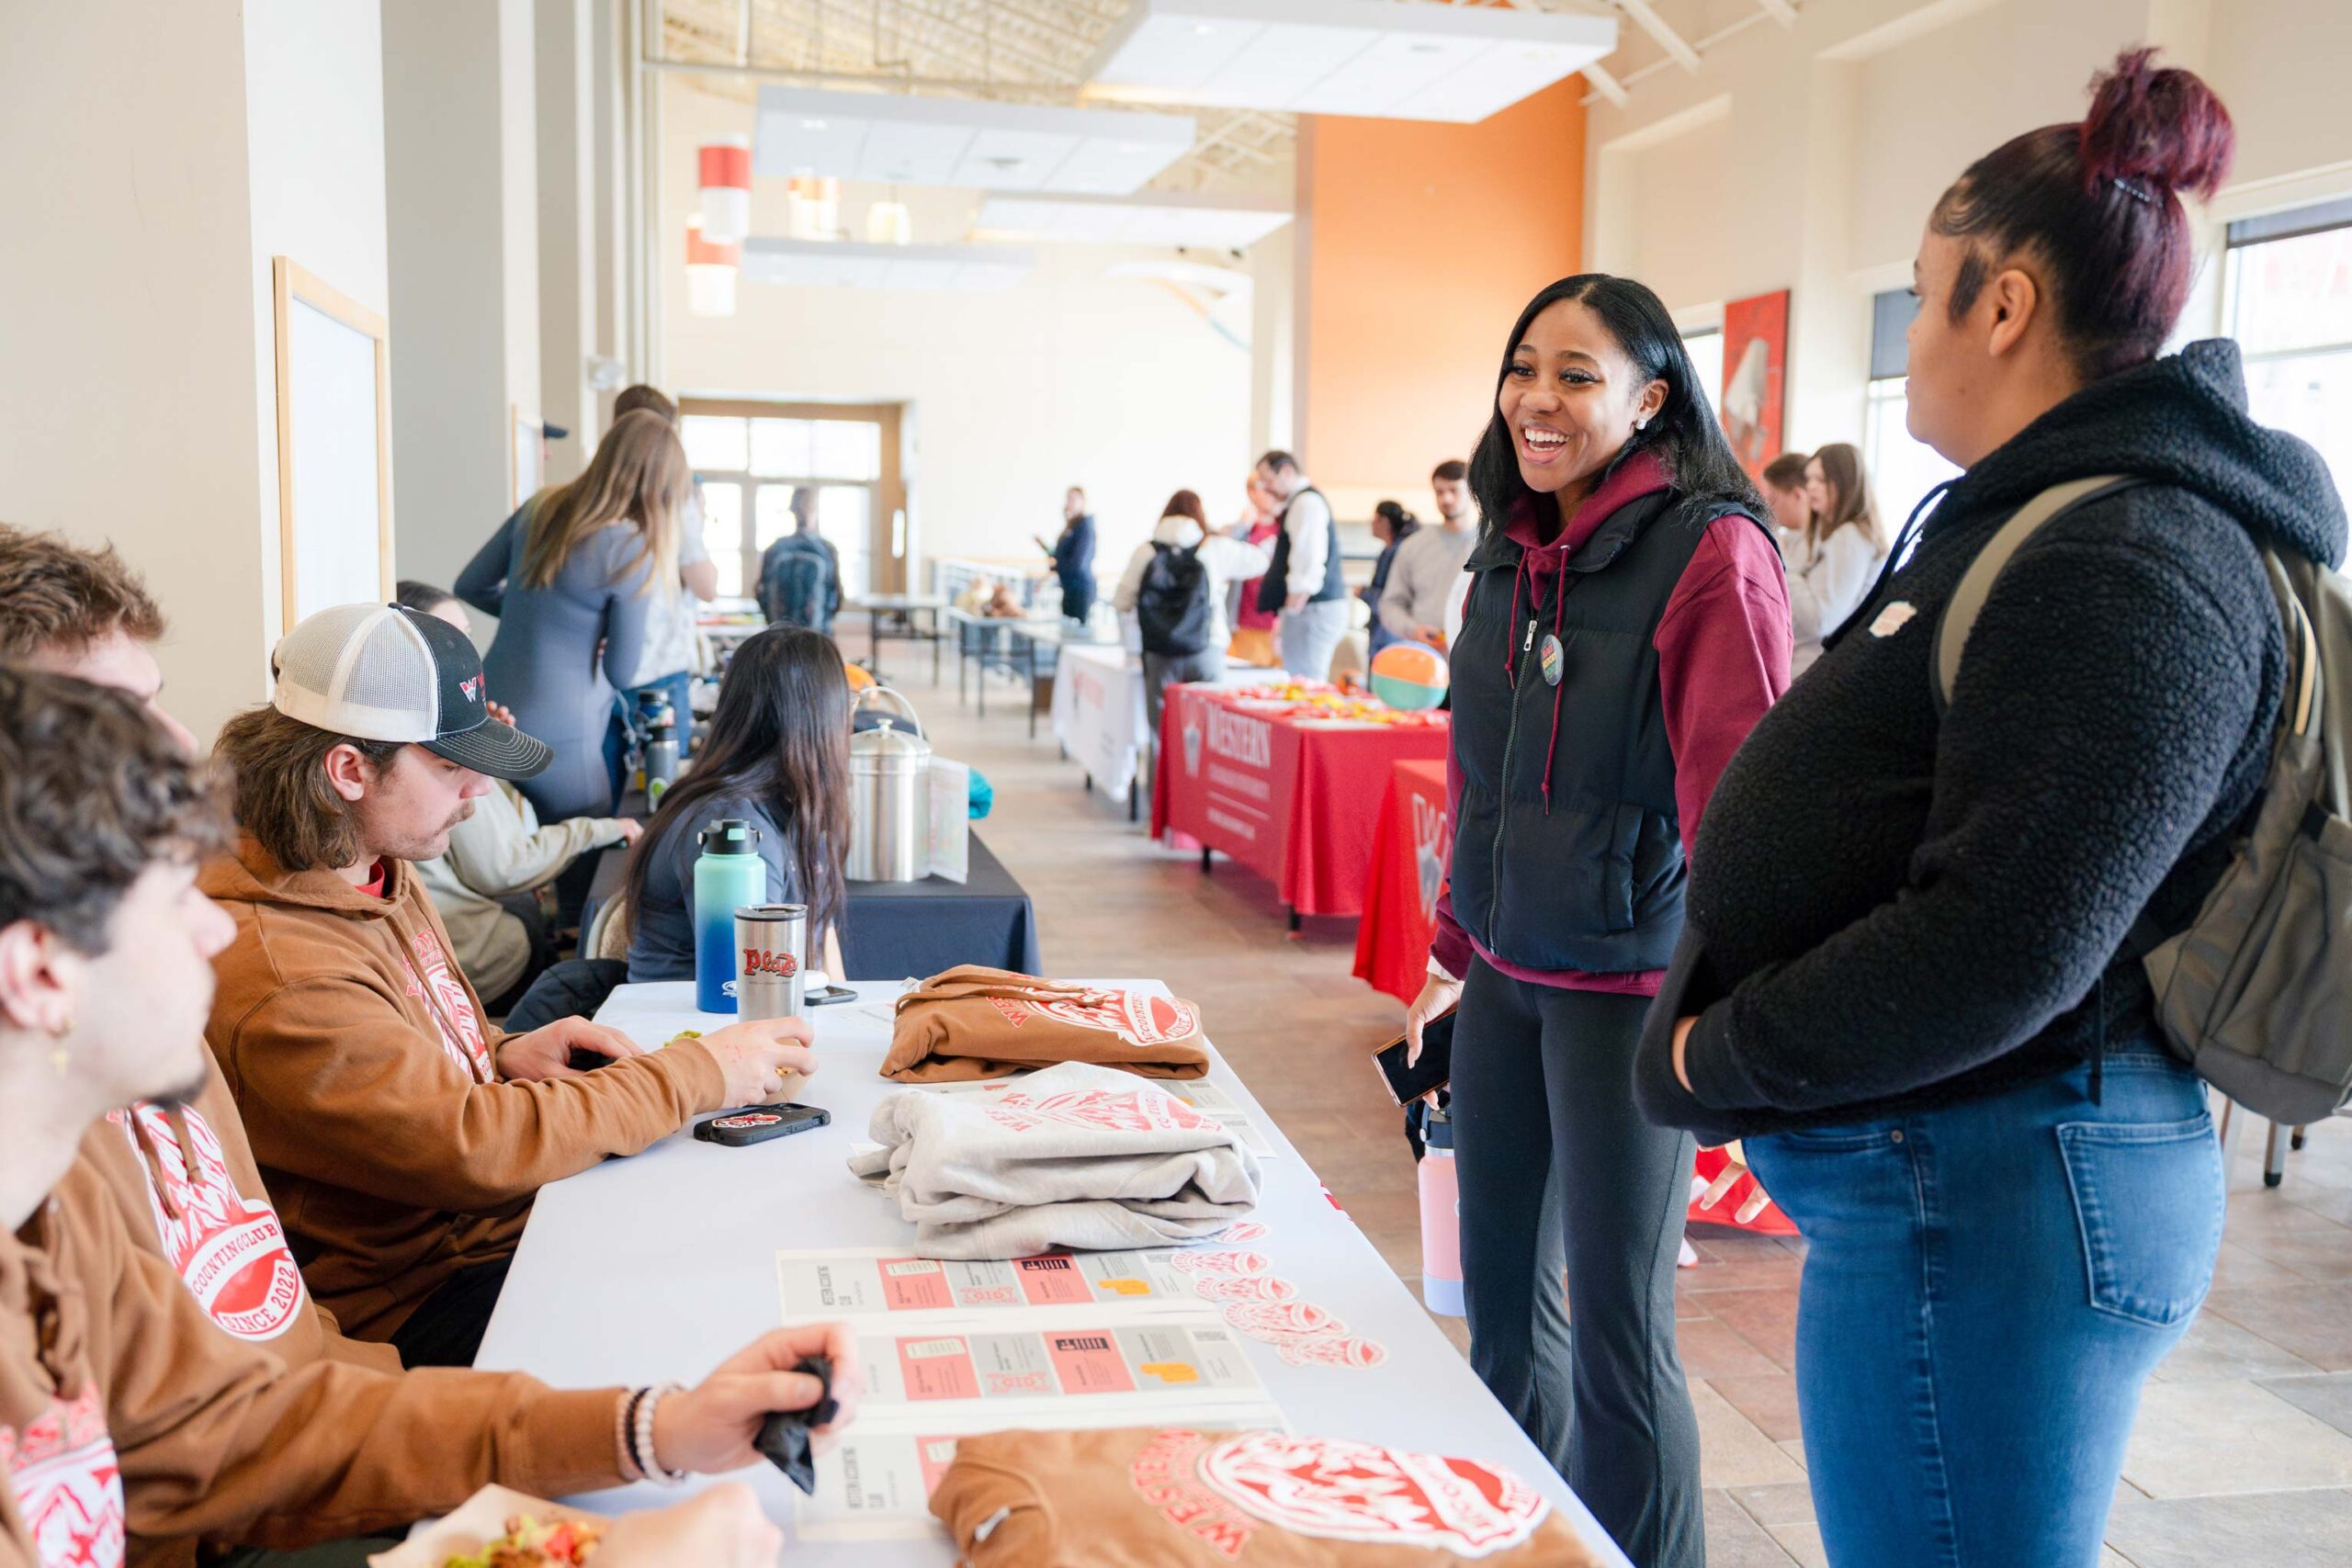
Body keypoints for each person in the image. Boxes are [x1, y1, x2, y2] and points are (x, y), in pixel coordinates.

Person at [1632, 51, 2339, 1568]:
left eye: (1924, 286)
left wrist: (1717, 1053)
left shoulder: (2127, 553)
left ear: (2003, 303)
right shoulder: (2054, 512)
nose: (1918, 323)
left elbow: (2003, 939)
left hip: (2002, 1187)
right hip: (1960, 1181)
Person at [0, 666, 852, 1568]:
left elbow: (231, 1424)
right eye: (173, 903)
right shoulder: (250, 984)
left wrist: (650, 1430)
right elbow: (459, 1150)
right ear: (41, 971)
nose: (214, 932)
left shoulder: (60, 1198)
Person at [1402, 275, 1792, 1565]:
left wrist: (1717, 1005)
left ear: (1650, 397)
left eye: (1576, 371)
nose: (1537, 397)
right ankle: (1521, 1542)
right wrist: (1453, 952)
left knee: (1623, 1333)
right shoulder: (1509, 549)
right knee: (1506, 1315)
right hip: (1509, 977)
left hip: (1628, 990)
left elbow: (1742, 806)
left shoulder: (1709, 551)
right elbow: (1479, 769)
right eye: (1523, 366)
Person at [204, 603, 820, 1370]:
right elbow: (471, 1145)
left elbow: (400, 1045)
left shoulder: (365, 861)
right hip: (417, 1298)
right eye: (450, 767)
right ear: (349, 770)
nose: (476, 793)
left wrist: (503, 1048)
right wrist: (698, 1073)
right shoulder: (281, 972)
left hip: (481, 1231)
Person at [391, 584, 639, 1013]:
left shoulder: (425, 726)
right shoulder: (428, 741)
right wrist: (597, 831)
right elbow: (503, 868)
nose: (464, 650)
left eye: (467, 634)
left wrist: (484, 748)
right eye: (450, 636)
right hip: (475, 959)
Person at [455, 408, 688, 821]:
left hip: (489, 705)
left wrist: (529, 618)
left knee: (499, 839)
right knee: (589, 840)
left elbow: (470, 585)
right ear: (661, 487)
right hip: (563, 728)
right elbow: (621, 671)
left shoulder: (540, 507)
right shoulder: (629, 547)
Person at [624, 625, 852, 985]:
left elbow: (820, 938)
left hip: (741, 1022)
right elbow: (757, 983)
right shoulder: (731, 824)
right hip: (692, 1028)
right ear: (817, 721)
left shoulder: (789, 803)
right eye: (846, 704)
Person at [610, 386, 719, 757]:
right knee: (664, 784)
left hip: (601, 669)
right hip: (660, 668)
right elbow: (705, 585)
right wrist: (699, 519)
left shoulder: (598, 495)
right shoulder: (675, 496)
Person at [1112, 489, 1273, 735]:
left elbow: (1122, 601)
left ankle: (1160, 775)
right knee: (1210, 729)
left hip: (1159, 650)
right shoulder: (1215, 547)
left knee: (1161, 731)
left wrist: (1131, 645)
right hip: (1207, 647)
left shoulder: (1146, 552)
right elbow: (1261, 561)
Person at [1786, 443, 1886, 677]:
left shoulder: (1849, 537)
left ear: (1845, 484)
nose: (1810, 487)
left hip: (1820, 671)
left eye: (1820, 480)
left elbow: (1821, 619)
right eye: (1808, 479)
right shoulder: (1833, 534)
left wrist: (1785, 565)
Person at [1252, 451, 1349, 681]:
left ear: (1286, 472)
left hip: (1312, 609)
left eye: (1268, 480)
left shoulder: (1306, 503)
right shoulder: (1300, 502)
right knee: (1302, 676)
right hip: (1313, 608)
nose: (1266, 488)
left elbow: (1307, 564)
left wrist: (1288, 616)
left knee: (1305, 680)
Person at [1379, 459, 1480, 649]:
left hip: (1475, 657)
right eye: (1439, 492)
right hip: (1424, 659)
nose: (1446, 499)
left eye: (1453, 490)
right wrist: (1413, 629)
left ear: (1471, 491)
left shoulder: (1491, 546)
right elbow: (1390, 605)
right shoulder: (1413, 546)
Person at [756, 484, 844, 635]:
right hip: (817, 636)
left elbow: (760, 591)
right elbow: (837, 595)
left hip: (779, 635)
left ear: (792, 510)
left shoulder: (775, 549)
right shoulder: (826, 549)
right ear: (815, 510)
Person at [1227, 474, 1284, 668]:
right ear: (1252, 493)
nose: (1274, 495)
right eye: (1266, 489)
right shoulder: (1242, 531)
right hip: (1247, 623)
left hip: (1281, 625)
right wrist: (1241, 527)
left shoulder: (1286, 527)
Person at [1360, 502, 1419, 656]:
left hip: (1388, 631)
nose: (1371, 523)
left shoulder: (1395, 554)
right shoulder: (1392, 551)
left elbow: (1386, 597)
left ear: (1384, 521)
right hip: (1387, 629)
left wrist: (1363, 593)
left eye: (1374, 518)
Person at [1036, 486, 1097, 626]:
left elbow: (1078, 563)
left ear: (1083, 502)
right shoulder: (1070, 527)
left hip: (1080, 590)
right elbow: (1059, 555)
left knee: (1077, 635)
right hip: (1068, 587)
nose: (1069, 503)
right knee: (1066, 629)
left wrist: (1058, 565)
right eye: (1068, 499)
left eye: (1073, 499)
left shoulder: (1085, 527)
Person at [1758, 451, 1812, 558]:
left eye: (1772, 499)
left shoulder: (1824, 547)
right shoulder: (1792, 539)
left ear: (1798, 496)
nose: (1768, 508)